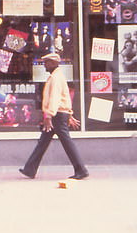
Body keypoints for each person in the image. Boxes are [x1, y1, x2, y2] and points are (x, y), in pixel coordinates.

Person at [19, 52, 89, 180]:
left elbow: (55, 98)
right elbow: (65, 98)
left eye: (46, 62)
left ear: (53, 63)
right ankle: (29, 169)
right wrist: (69, 114)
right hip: (59, 113)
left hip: (56, 115)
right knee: (43, 142)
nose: (44, 65)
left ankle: (81, 169)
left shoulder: (56, 78)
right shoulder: (57, 76)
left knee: (66, 142)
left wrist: (48, 116)